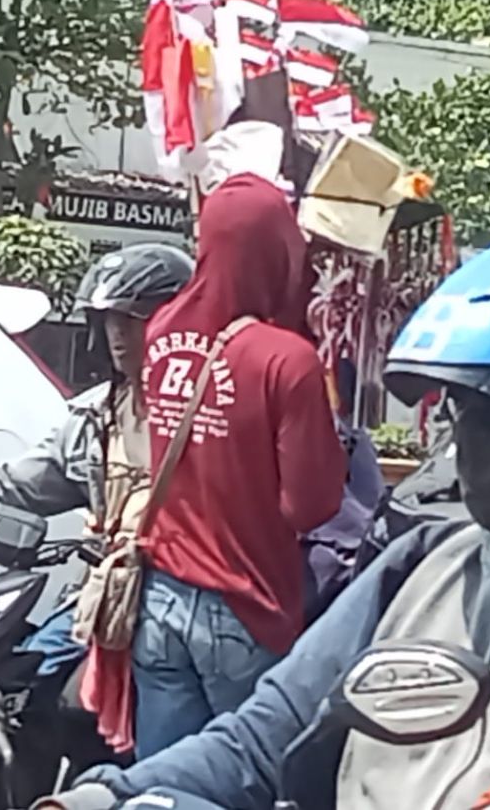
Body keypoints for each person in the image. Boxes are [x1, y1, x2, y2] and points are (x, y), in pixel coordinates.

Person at [38, 215, 490, 810]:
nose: (467, 446)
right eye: (459, 410)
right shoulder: (422, 567)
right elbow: (261, 742)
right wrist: (109, 794)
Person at [0, 242, 196, 682]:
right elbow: (22, 484)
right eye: (111, 320)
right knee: (22, 681)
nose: (119, 334)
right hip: (105, 598)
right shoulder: (94, 417)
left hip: (181, 606)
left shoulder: (210, 416)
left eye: (135, 319)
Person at [125, 173, 346, 758]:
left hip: (160, 598)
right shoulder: (288, 360)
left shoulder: (160, 330)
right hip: (247, 606)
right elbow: (311, 505)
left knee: (168, 785)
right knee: (247, 781)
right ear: (278, 250)